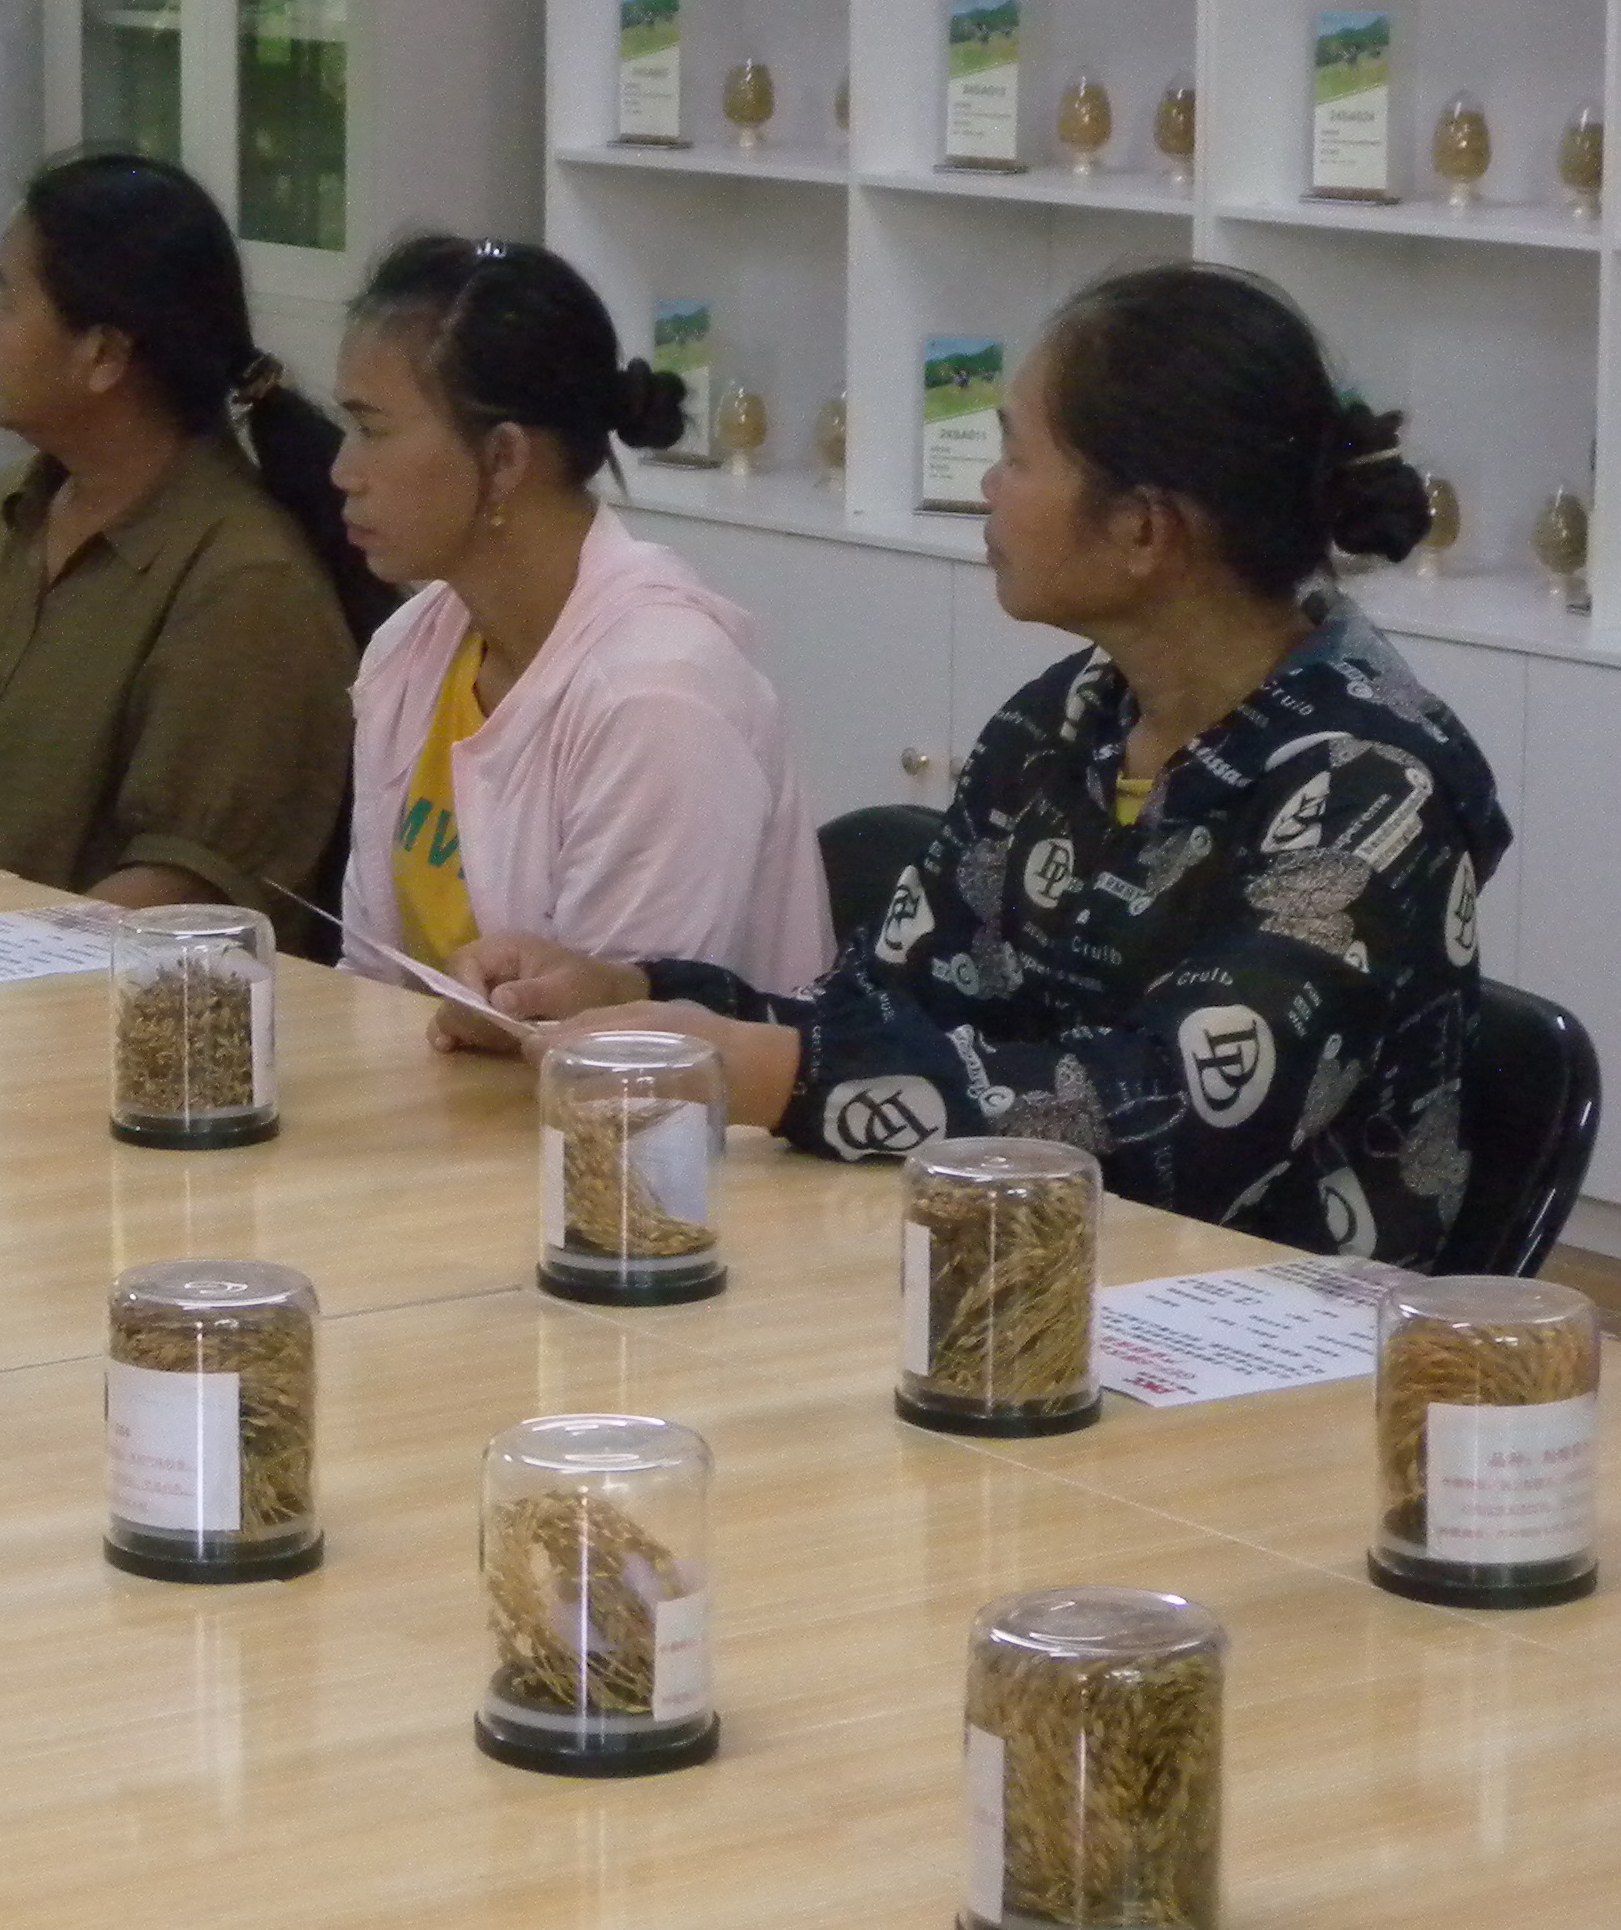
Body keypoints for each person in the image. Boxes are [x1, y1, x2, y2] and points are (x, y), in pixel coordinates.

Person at [455, 263, 1507, 1267]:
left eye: (1016, 457)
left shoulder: (1375, 784)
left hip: (1271, 1340)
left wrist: (782, 1077)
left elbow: (1177, 1119)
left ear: (1143, 528)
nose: (987, 489)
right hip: (1021, 1273)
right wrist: (637, 997)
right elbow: (888, 1007)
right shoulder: (1062, 723)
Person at [0, 152, 386, 921]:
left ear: (102, 354)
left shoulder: (245, 584)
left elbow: (179, 890)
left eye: (6, 300)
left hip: (78, 1014)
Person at [332, 234, 826, 999]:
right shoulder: (412, 646)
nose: (343, 472)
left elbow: (623, 1059)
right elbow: (370, 982)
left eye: (373, 430)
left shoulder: (660, 698)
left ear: (503, 459)